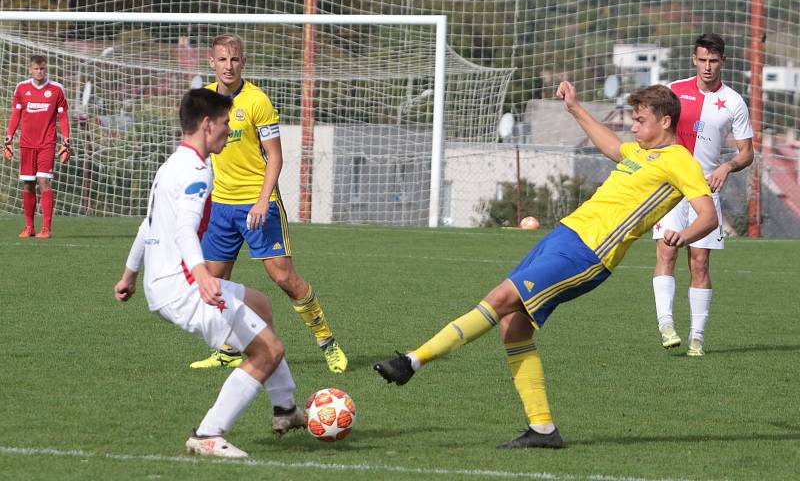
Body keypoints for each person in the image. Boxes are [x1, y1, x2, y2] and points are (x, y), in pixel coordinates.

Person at [374, 82, 718, 449]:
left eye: (640, 120)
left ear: (665, 121)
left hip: (590, 253)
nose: (633, 127)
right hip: (563, 236)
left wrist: (683, 234)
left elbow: (707, 215)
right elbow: (612, 146)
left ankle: (412, 361)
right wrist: (574, 107)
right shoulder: (640, 152)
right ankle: (542, 430)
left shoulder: (681, 161)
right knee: (513, 328)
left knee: (502, 296)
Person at [114, 88, 303, 458]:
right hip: (184, 288)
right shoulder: (198, 170)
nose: (227, 132)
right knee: (268, 352)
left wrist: (129, 275)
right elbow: (185, 229)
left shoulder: (172, 164)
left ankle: (286, 408)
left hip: (164, 282)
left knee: (260, 305)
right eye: (223, 124)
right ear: (206, 124)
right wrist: (202, 276)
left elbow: (147, 225)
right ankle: (207, 433)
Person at [189, 34, 348, 374]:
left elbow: (275, 158)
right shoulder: (204, 102)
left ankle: (327, 341)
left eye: (234, 60)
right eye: (222, 60)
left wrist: (262, 202)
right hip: (222, 207)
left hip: (258, 205)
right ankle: (230, 348)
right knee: (214, 284)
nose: (228, 66)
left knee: (284, 277)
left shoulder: (257, 100)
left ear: (242, 62)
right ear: (211, 62)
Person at [653, 33, 753, 356]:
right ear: (693, 60)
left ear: (723, 61)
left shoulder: (734, 102)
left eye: (713, 61)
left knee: (700, 262)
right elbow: (655, 131)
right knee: (666, 253)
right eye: (702, 60)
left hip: (705, 193)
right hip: (670, 189)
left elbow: (747, 152)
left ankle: (697, 337)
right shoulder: (675, 92)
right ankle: (666, 325)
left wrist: (726, 167)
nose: (707, 67)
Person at [4, 55, 70, 239]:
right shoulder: (21, 88)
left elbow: (63, 116)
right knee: (28, 184)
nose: (39, 72)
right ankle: (29, 227)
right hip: (26, 144)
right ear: (30, 69)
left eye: (42, 69)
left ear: (45, 69)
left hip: (47, 143)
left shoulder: (56, 89)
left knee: (44, 181)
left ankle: (46, 229)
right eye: (36, 68)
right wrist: (8, 137)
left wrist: (66, 139)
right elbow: (15, 114)